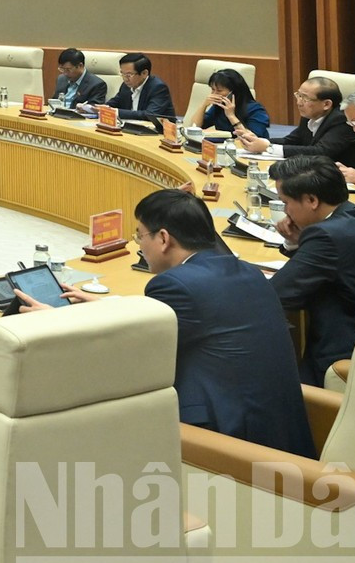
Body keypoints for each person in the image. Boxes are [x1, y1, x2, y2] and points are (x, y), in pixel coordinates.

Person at [16, 190, 315, 456]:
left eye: (140, 236)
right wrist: (104, 305)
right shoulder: (246, 272)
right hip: (280, 430)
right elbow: (172, 318)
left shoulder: (175, 284)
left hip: (225, 440)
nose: (138, 247)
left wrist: (56, 318)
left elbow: (126, 348)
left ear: (163, 238)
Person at [270, 155, 355, 382]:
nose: (286, 211)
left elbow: (276, 295)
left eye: (286, 202)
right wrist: (296, 242)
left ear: (312, 200)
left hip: (342, 355)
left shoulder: (326, 236)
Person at [243, 76, 355, 177]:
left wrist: (269, 148)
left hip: (349, 181)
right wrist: (260, 141)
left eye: (305, 98)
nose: (299, 102)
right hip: (319, 174)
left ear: (326, 104)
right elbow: (292, 141)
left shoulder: (342, 120)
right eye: (298, 95)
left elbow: (321, 152)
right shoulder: (310, 114)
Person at [198, 68, 270, 149]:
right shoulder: (219, 106)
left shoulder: (256, 110)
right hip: (229, 148)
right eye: (213, 90)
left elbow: (253, 140)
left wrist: (231, 116)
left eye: (219, 91)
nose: (214, 94)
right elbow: (195, 128)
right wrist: (203, 105)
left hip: (254, 151)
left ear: (233, 93)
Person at [111, 53, 176, 120]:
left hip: (158, 129)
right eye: (122, 73)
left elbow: (150, 115)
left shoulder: (158, 88)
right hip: (131, 127)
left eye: (129, 75)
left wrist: (117, 112)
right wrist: (103, 108)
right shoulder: (126, 86)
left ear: (144, 73)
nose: (125, 79)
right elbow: (114, 102)